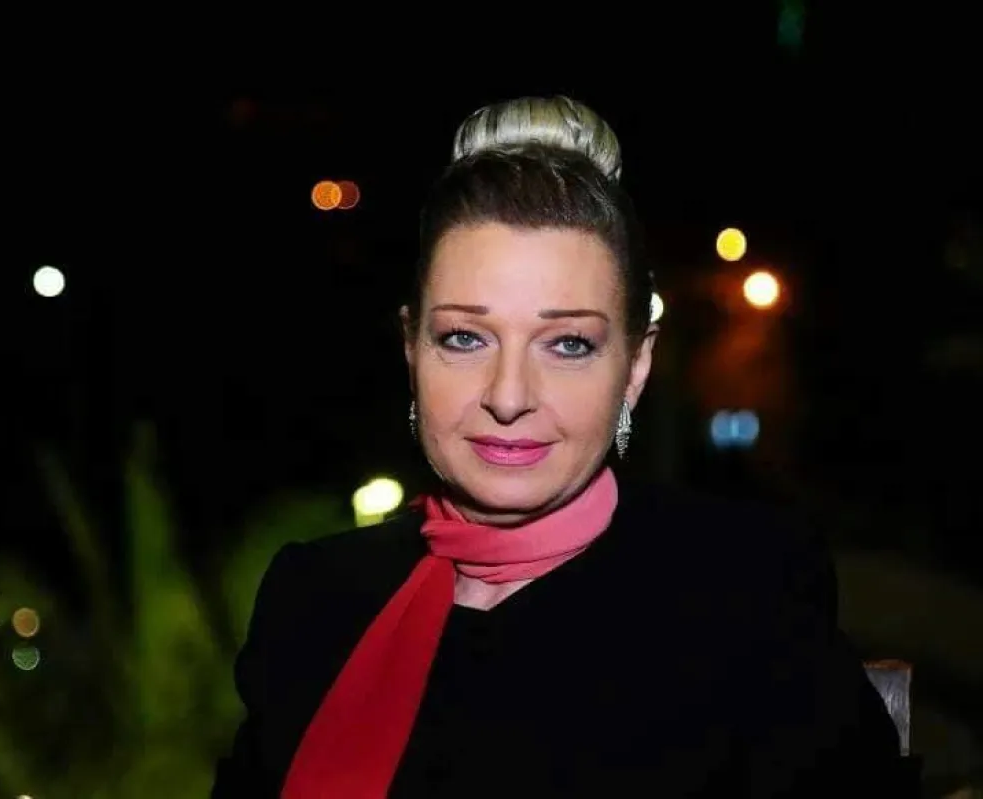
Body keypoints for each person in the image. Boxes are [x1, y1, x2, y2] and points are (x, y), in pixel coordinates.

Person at [212, 95, 906, 797]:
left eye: (569, 343)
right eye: (465, 338)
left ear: (635, 366)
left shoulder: (748, 590)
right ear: (411, 347)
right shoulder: (317, 597)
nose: (509, 395)